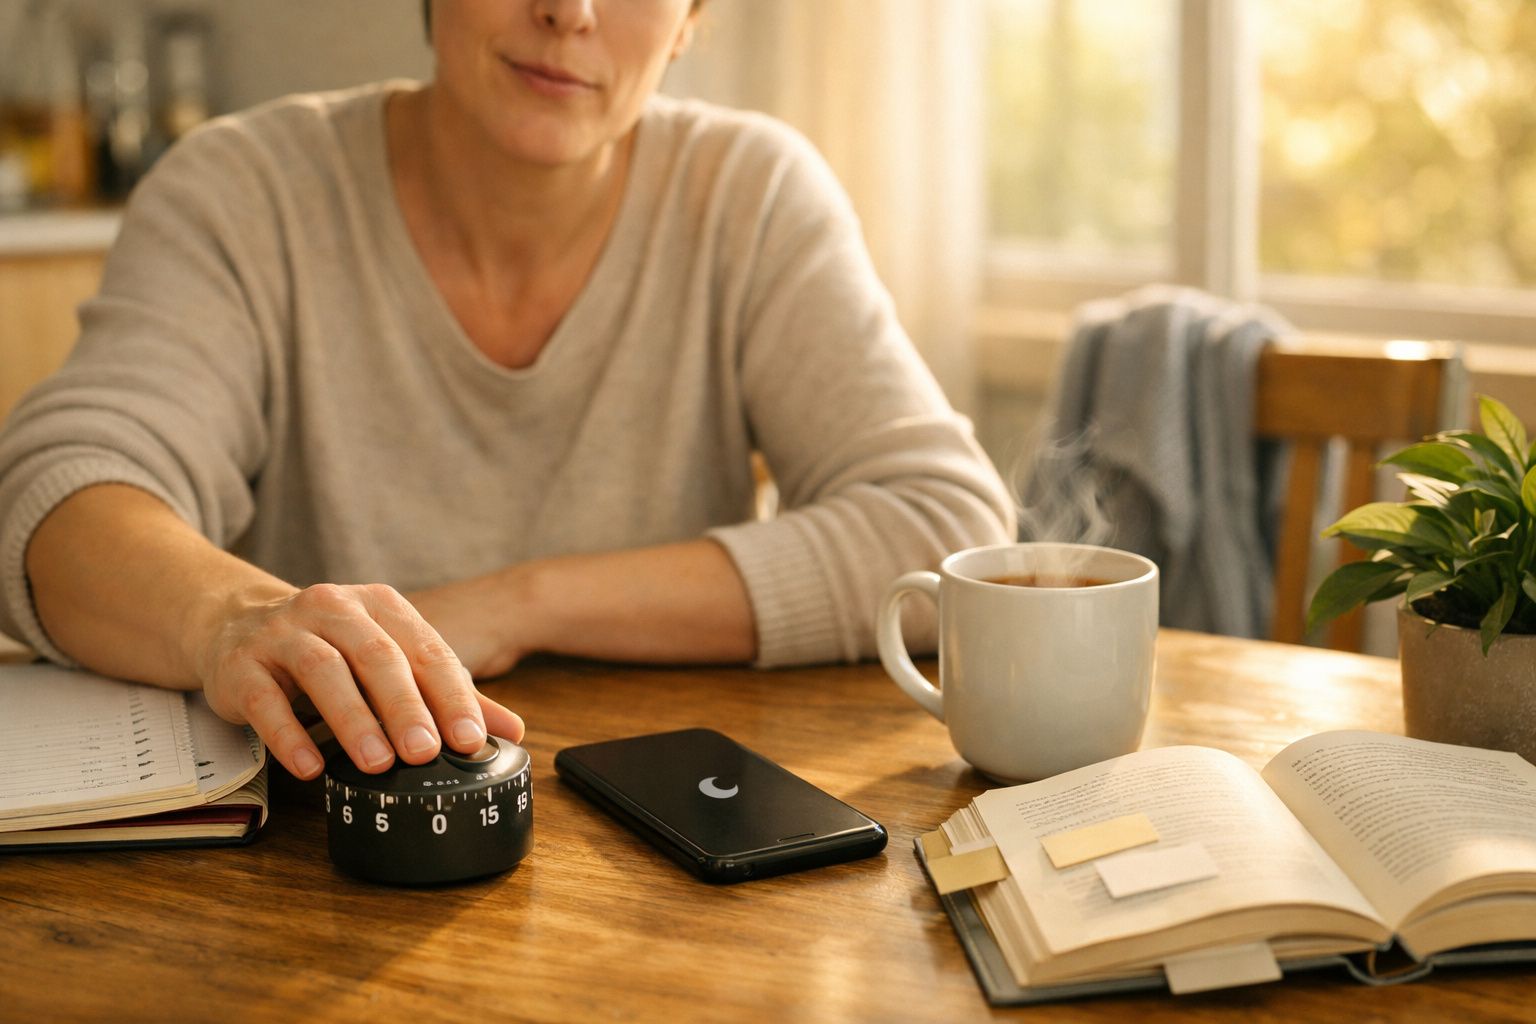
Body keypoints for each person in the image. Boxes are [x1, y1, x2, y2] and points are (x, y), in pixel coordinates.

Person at [0, 0, 1015, 782]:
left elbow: (945, 525)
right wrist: (235, 618)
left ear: (691, 19)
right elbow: (56, 497)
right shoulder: (242, 192)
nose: (569, 10)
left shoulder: (749, 194)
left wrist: (515, 604)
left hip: (659, 843)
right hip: (311, 859)